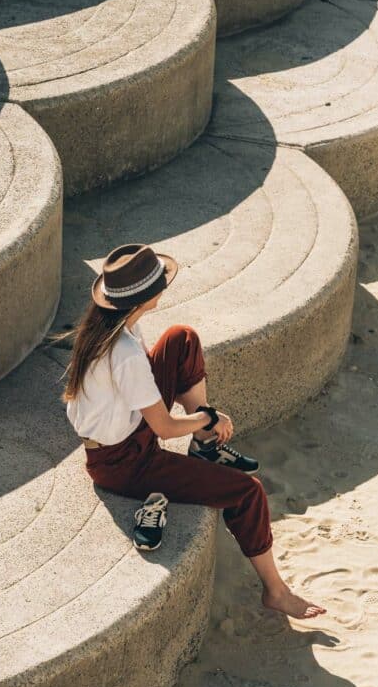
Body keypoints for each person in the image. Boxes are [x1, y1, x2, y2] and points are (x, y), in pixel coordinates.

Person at [64, 243, 326, 620]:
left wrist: (200, 421)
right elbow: (165, 428)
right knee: (246, 493)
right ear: (150, 295)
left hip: (127, 436)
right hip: (123, 463)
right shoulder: (123, 354)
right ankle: (276, 591)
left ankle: (204, 447)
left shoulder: (111, 329)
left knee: (180, 338)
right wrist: (208, 418)